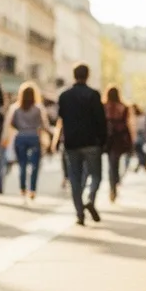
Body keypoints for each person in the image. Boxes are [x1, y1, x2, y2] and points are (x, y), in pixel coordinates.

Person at [56, 64, 107, 225]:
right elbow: (101, 121)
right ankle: (90, 197)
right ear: (87, 75)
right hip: (91, 142)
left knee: (75, 179)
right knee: (96, 175)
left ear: (74, 75)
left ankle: (79, 214)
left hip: (71, 143)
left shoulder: (64, 96)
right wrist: (103, 141)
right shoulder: (93, 95)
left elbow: (61, 120)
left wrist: (59, 140)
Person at [4, 82, 52, 202]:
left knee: (22, 165)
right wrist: (50, 135)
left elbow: (11, 123)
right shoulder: (37, 108)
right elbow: (44, 125)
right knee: (35, 166)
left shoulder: (16, 108)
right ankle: (32, 190)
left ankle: (22, 188)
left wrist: (21, 128)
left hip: (20, 137)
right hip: (34, 137)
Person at [103, 86, 134, 203]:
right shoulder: (124, 107)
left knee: (112, 164)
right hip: (120, 138)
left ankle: (113, 186)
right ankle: (115, 184)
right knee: (115, 163)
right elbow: (127, 124)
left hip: (108, 138)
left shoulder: (104, 107)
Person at [133, 105, 146, 172]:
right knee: (141, 152)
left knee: (140, 152)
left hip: (139, 135)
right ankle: (142, 164)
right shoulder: (142, 117)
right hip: (141, 135)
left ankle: (142, 164)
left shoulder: (135, 118)